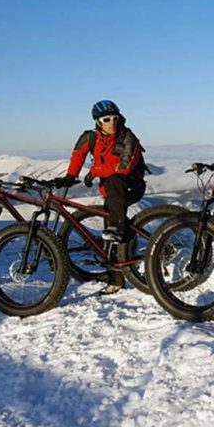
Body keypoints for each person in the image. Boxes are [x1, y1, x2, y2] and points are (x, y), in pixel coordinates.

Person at [62, 100, 147, 293]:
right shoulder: (91, 137)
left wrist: (94, 171)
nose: (112, 123)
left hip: (130, 186)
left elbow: (123, 167)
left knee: (114, 226)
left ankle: (118, 235)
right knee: (111, 225)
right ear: (98, 122)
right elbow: (78, 154)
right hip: (110, 190)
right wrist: (70, 176)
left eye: (115, 118)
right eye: (106, 119)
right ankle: (117, 276)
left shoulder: (127, 137)